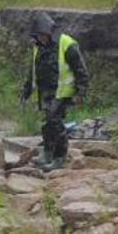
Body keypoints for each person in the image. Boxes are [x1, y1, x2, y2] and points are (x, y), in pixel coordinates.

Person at [19, 12, 90, 171]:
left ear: (49, 31)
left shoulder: (67, 44)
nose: (41, 39)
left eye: (42, 35)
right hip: (45, 92)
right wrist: (26, 90)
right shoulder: (38, 47)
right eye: (38, 36)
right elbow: (32, 71)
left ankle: (60, 157)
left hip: (62, 91)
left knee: (55, 122)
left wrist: (81, 92)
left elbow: (81, 71)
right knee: (47, 124)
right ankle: (47, 154)